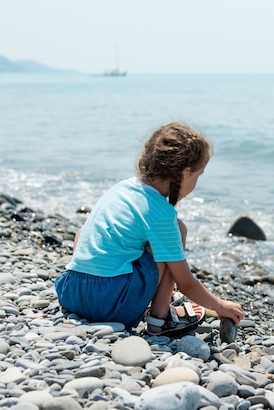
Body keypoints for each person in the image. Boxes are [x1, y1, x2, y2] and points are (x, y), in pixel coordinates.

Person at [55, 122, 244, 336]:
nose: (197, 182)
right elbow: (186, 283)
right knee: (176, 233)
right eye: (198, 175)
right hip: (109, 305)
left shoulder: (121, 189)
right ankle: (159, 319)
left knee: (85, 231)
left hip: (70, 292)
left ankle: (105, 285)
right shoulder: (161, 214)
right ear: (185, 171)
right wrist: (219, 306)